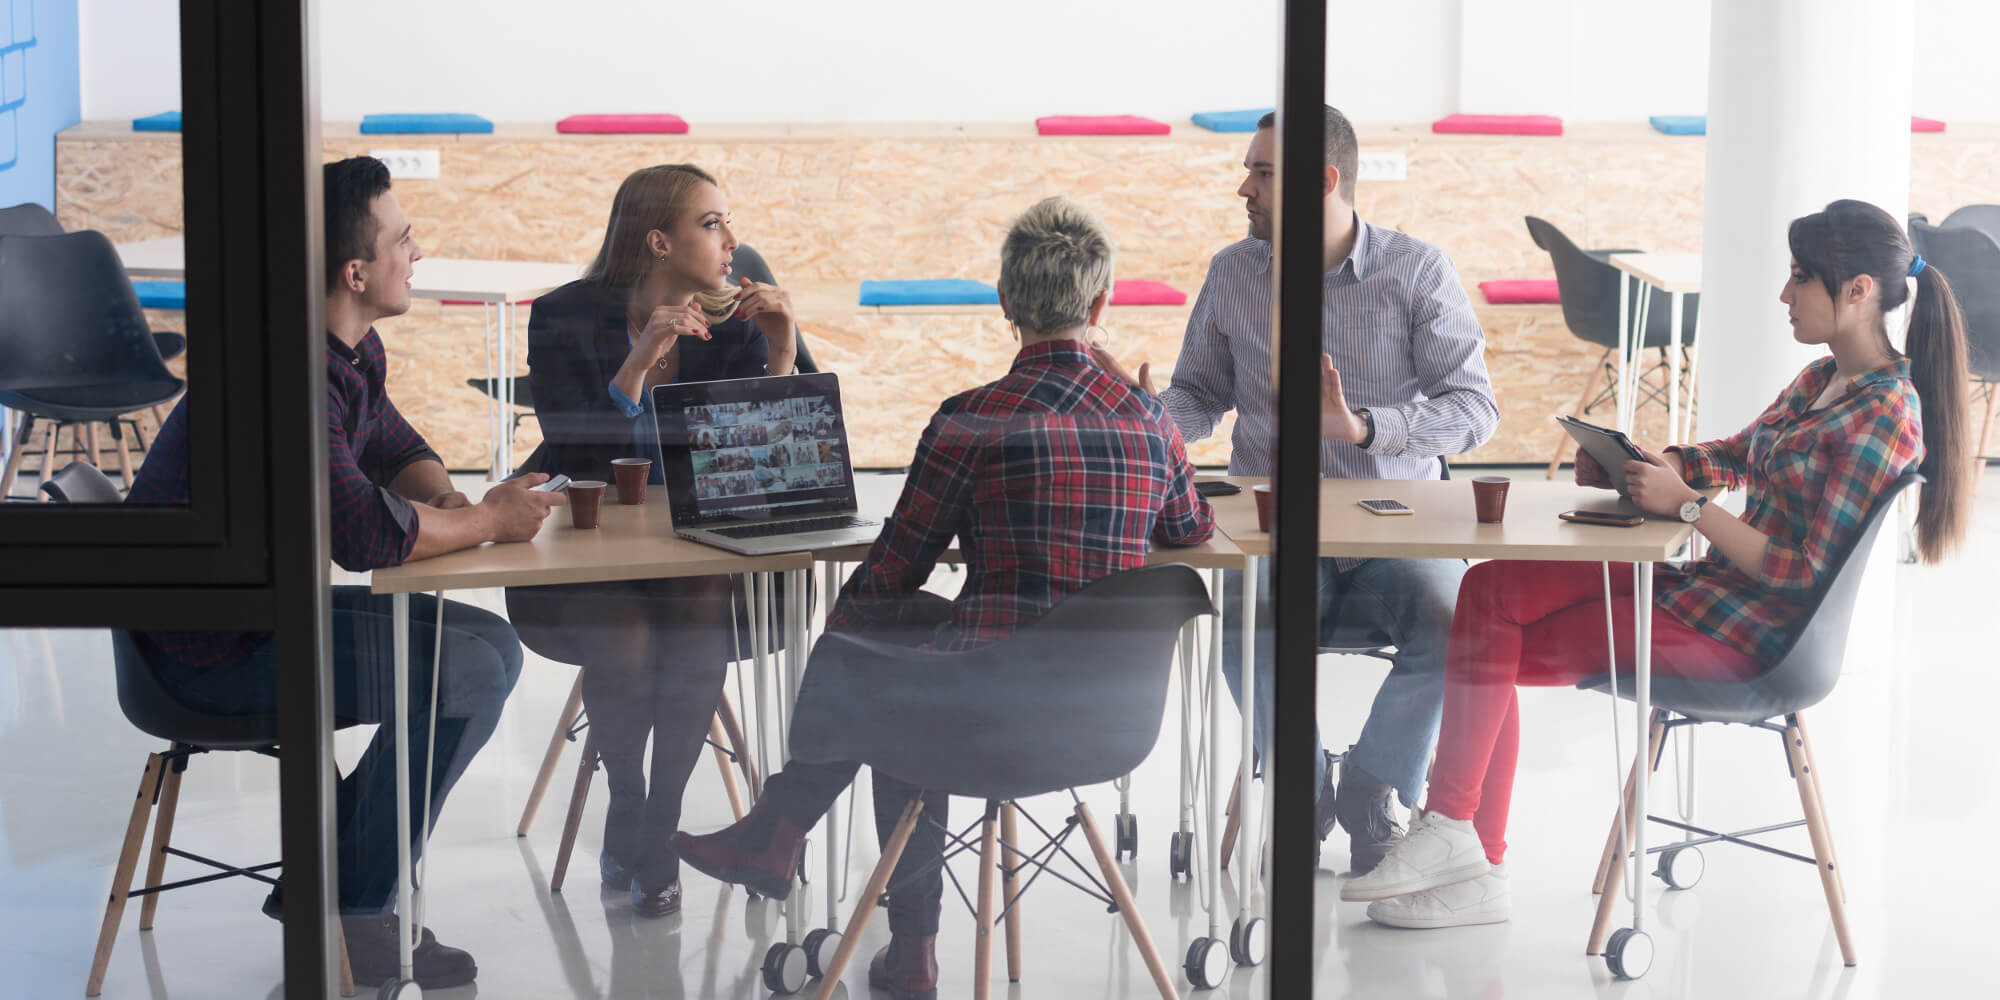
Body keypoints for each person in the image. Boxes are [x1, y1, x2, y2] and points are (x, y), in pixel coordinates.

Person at [1344, 199, 1971, 928]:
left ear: (1858, 290)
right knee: (1489, 591)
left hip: (1755, 639)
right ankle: (1465, 850)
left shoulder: (1886, 415)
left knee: (1490, 639)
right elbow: (1734, 456)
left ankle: (1461, 842)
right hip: (1709, 593)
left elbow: (1801, 574)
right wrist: (1651, 466)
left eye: (1800, 278)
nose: (1784, 294)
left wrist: (1688, 508)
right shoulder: (1820, 379)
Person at [672, 197, 1215, 997]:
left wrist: (836, 646)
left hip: (984, 715)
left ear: (1005, 302)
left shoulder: (973, 421)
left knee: (888, 654)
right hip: (1109, 721)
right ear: (1100, 307)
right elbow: (1190, 530)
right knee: (908, 652)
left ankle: (887, 925)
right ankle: (782, 837)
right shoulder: (1149, 422)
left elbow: (895, 569)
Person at [125, 156, 564, 990]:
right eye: (404, 240)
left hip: (265, 613)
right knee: (469, 670)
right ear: (356, 270)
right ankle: (357, 914)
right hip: (208, 654)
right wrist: (484, 523)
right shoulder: (290, 373)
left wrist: (447, 495)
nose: (418, 252)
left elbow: (395, 447)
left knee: (493, 652)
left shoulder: (347, 352)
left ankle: (343, 903)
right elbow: (364, 534)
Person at [1096, 105, 1499, 871]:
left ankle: (1374, 787)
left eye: (1263, 172)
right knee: (1245, 620)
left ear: (1322, 180)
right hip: (1280, 536)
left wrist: (1366, 429)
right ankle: (1303, 780)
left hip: (1398, 533)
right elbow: (1199, 397)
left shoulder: (1416, 271)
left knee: (1459, 624)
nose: (1242, 186)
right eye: (1250, 168)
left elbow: (1475, 408)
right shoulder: (1235, 273)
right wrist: (1147, 419)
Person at [504, 164, 800, 917]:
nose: (733, 240)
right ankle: (631, 805)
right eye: (712, 224)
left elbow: (765, 459)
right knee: (630, 632)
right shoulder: (563, 316)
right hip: (592, 555)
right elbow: (573, 449)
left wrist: (782, 357)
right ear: (659, 242)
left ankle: (655, 825)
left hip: (694, 553)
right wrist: (638, 364)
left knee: (700, 596)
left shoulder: (733, 325)